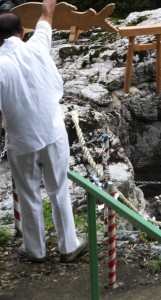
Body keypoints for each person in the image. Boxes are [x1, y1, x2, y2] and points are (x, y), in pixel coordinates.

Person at [0, 0, 86, 263]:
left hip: (22, 139)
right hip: (52, 132)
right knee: (58, 188)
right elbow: (47, 14)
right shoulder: (37, 46)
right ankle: (68, 246)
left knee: (28, 193)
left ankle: (35, 250)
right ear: (23, 32)